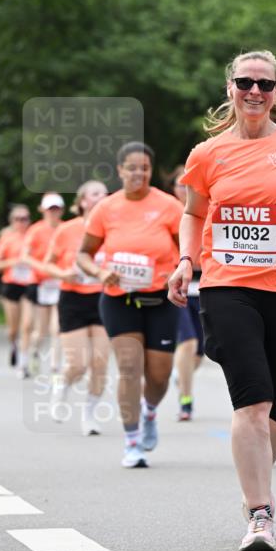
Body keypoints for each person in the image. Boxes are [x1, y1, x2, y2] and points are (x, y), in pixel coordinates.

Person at [168, 50, 276, 551]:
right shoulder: (207, 154)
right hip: (228, 287)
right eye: (246, 82)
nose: (255, 91)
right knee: (253, 401)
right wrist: (185, 260)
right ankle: (260, 512)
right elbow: (193, 215)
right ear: (230, 89)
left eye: (265, 84)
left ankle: (255, 473)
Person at [77, 143, 183, 467]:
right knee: (128, 368)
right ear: (120, 170)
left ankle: (149, 411)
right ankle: (132, 441)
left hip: (160, 300)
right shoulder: (106, 209)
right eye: (132, 168)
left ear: (151, 171)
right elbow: (83, 254)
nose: (139, 173)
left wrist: (177, 271)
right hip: (119, 299)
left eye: (145, 168)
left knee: (160, 376)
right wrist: (99, 271)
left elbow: (191, 252)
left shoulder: (169, 206)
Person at [43, 180, 110, 436]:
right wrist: (62, 273)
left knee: (100, 363)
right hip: (73, 299)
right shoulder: (66, 230)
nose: (102, 196)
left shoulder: (112, 229)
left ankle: (89, 415)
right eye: (95, 193)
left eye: (105, 193)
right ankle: (62, 383)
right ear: (82, 201)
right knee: (79, 364)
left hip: (104, 298)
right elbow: (47, 264)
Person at [171, 166, 204, 421]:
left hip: (206, 286)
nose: (184, 190)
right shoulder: (169, 211)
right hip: (179, 285)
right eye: (180, 186)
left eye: (188, 185)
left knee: (202, 351)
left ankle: (181, 376)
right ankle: (186, 400)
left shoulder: (209, 208)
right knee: (188, 342)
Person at [22, 192, 64, 377]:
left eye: (56, 209)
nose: (53, 213)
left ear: (61, 210)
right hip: (40, 283)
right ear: (43, 210)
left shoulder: (66, 229)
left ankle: (55, 367)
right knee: (40, 330)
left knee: (57, 328)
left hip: (60, 283)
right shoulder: (35, 230)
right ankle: (32, 353)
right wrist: (43, 267)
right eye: (50, 209)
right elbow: (25, 256)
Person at [0, 204, 33, 370]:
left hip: (29, 285)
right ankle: (13, 345)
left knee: (27, 324)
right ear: (12, 221)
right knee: (13, 328)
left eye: (24, 219)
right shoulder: (7, 238)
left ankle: (23, 360)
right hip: (11, 285)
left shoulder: (33, 236)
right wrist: (15, 262)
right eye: (18, 219)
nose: (21, 222)